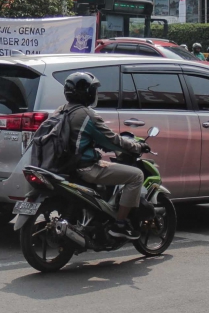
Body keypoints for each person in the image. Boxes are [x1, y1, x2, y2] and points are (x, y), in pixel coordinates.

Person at [60, 71, 147, 240]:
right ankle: (120, 224)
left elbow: (80, 138)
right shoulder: (87, 115)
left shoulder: (61, 111)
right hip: (85, 168)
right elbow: (113, 140)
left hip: (62, 166)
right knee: (136, 176)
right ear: (88, 92)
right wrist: (137, 146)